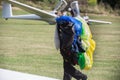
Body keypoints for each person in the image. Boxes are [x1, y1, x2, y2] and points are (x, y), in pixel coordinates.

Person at [55, 11, 87, 80]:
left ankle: (82, 77)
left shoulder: (67, 26)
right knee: (67, 66)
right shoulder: (76, 24)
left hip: (68, 50)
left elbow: (58, 21)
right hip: (72, 48)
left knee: (67, 67)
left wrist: (58, 17)